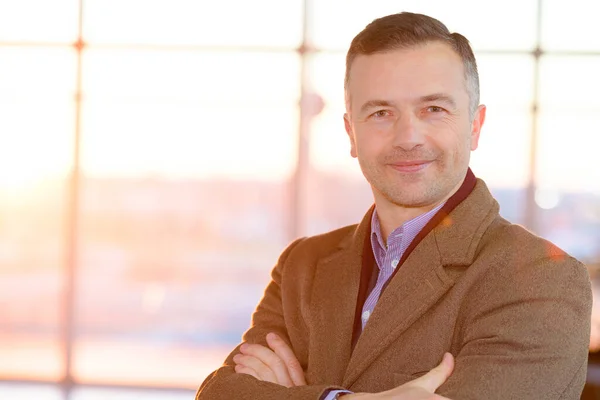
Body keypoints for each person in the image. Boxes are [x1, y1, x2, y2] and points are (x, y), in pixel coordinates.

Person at [196, 12, 592, 400]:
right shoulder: (302, 266)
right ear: (352, 132)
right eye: (381, 113)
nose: (408, 137)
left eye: (433, 109)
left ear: (474, 125)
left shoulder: (542, 280)